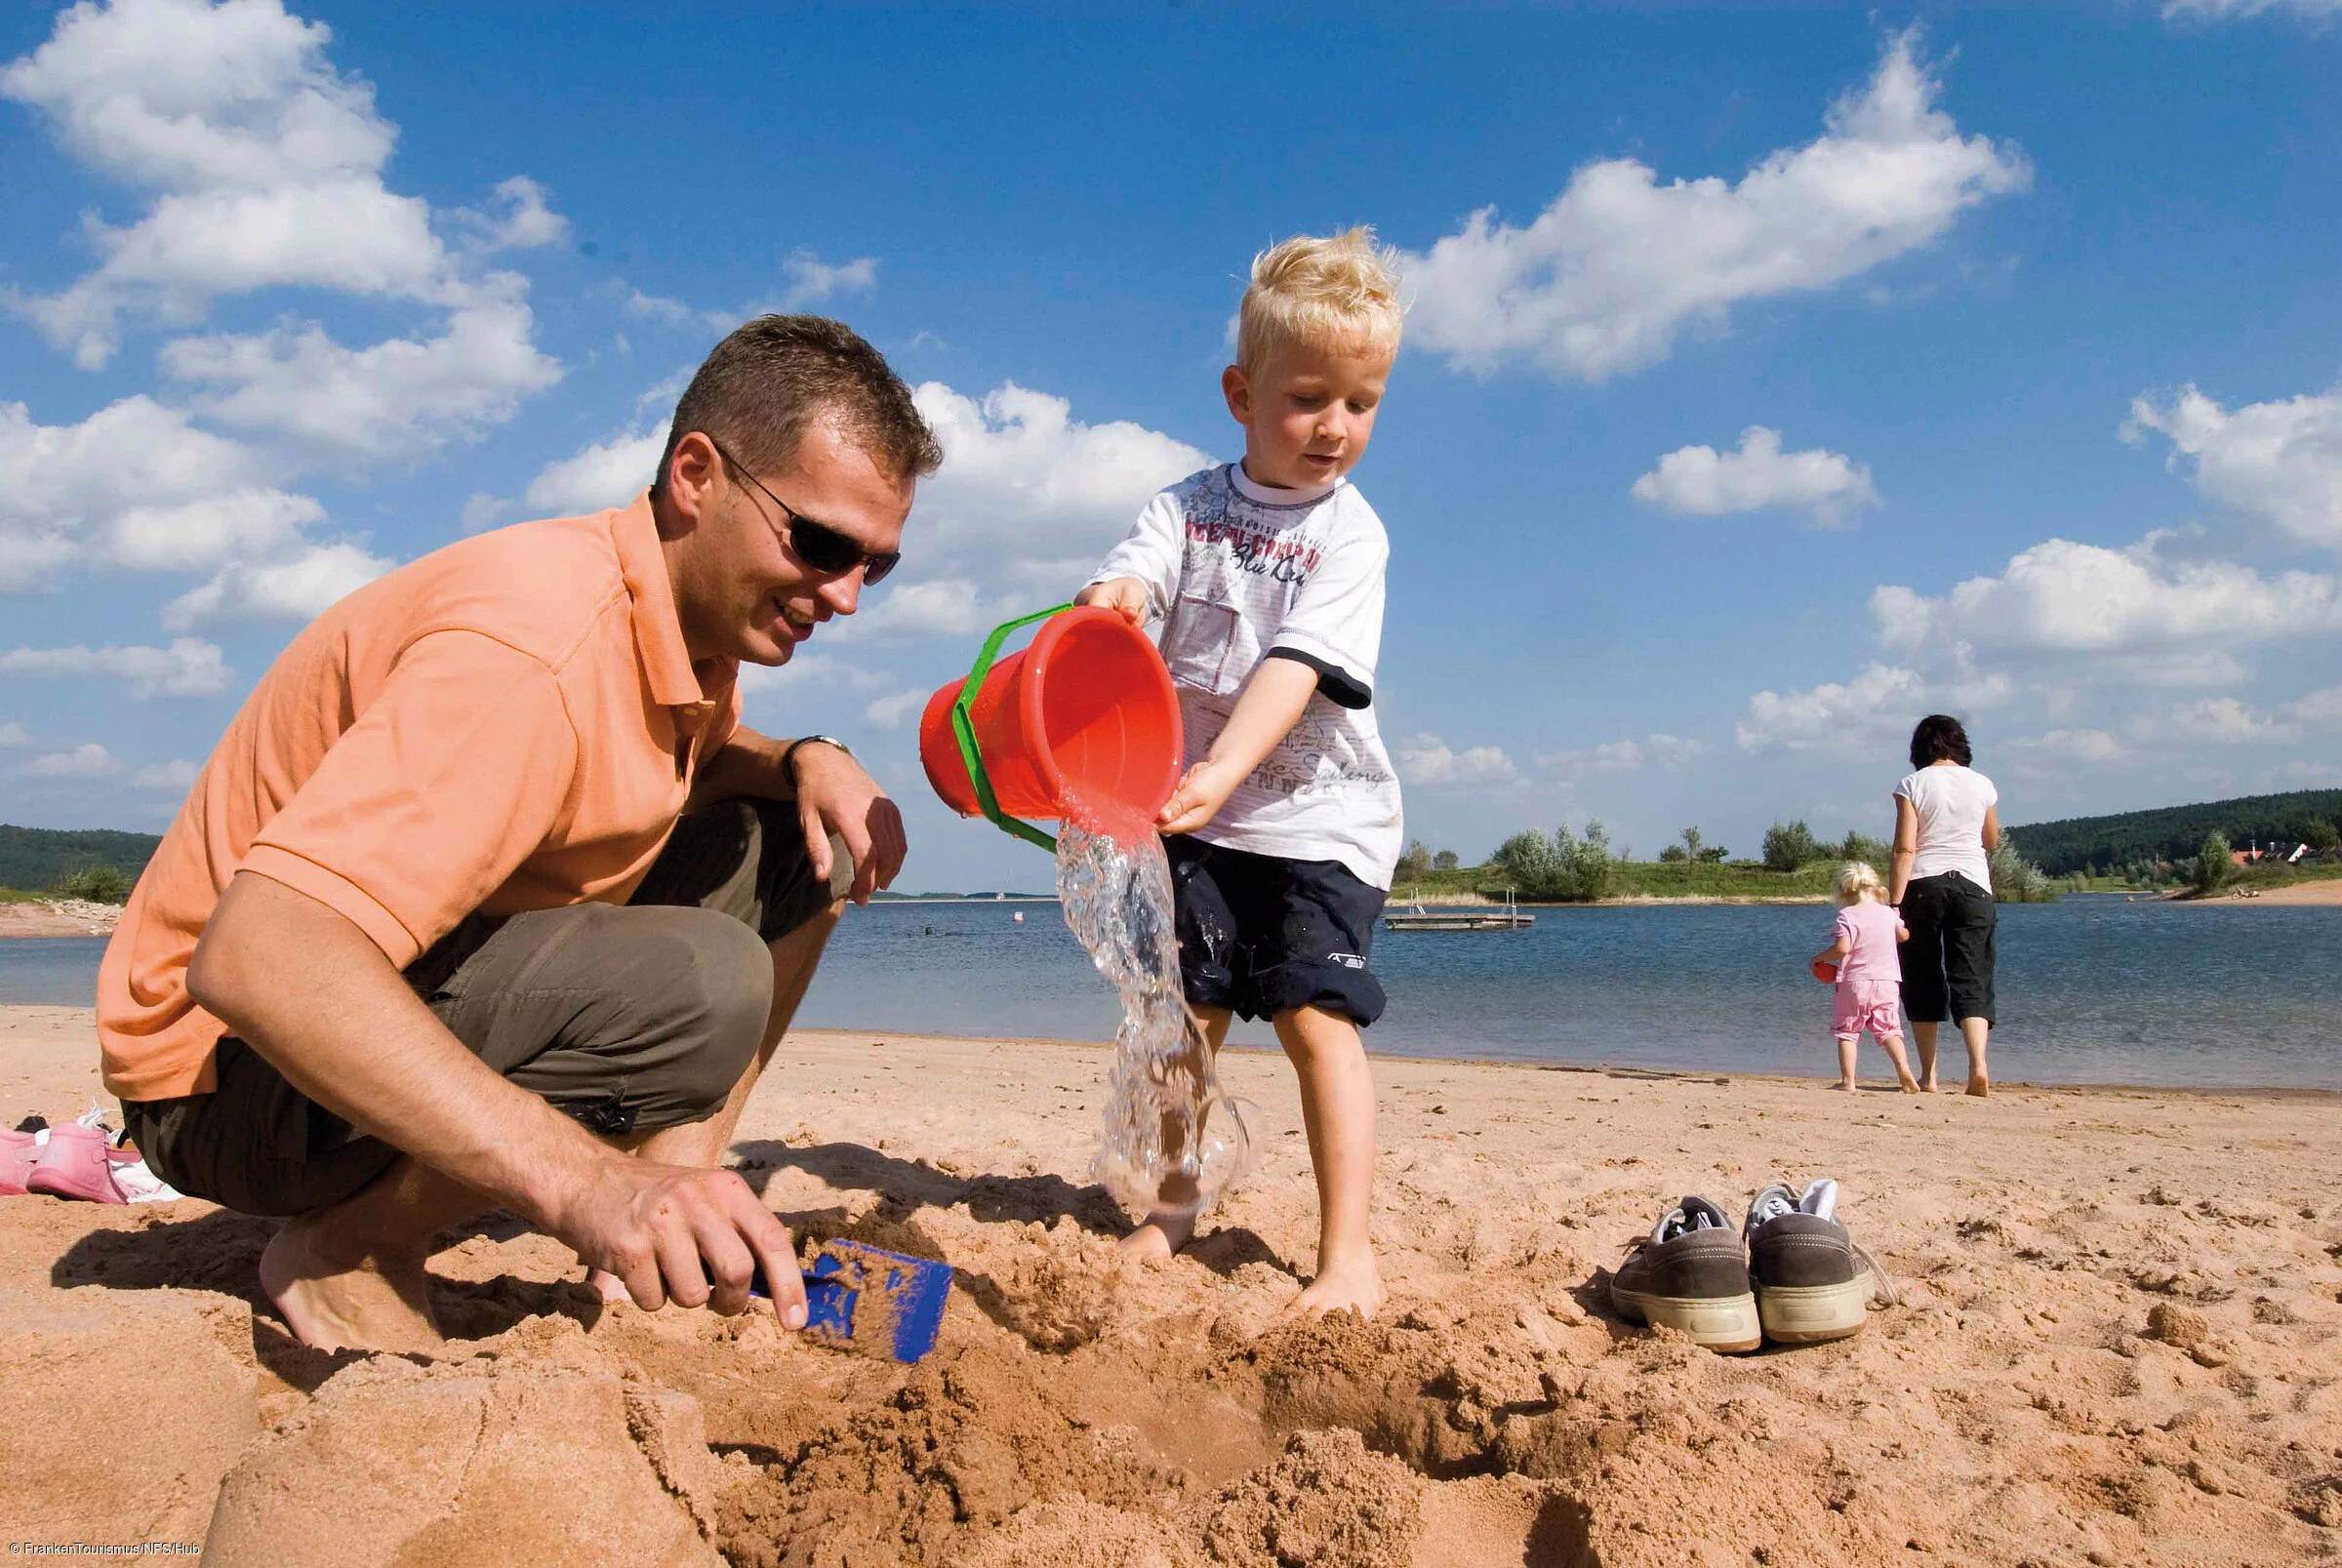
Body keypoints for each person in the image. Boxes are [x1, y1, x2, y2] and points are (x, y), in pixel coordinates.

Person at [95, 316, 941, 1352]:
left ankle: (680, 1207)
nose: (847, 596)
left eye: (876, 566)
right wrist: (590, 1182)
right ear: (695, 475)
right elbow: (258, 952)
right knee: (700, 985)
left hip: (339, 1011)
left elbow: (696, 759)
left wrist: (806, 757)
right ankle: (348, 1249)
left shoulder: (679, 617)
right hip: (220, 1080)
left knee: (804, 839)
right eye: (819, 543)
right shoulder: (530, 650)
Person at [1076, 228, 1404, 1319]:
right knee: (1189, 1015)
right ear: (1241, 391)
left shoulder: (1352, 537)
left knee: (1318, 1018)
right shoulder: (1186, 506)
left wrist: (1222, 765)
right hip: (1197, 808)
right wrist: (1118, 598)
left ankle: (1346, 1250)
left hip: (1317, 817)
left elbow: (1294, 667)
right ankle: (1172, 1202)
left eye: (1362, 402)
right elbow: (1135, 573)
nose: (1335, 427)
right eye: (1308, 397)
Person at [1888, 714, 2000, 1097]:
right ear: (1959, 744)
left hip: (1924, 883)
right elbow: (1991, 839)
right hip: (1973, 885)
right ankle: (1978, 1068)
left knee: (1921, 977)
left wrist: (1893, 903)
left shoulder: (1912, 784)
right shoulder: (1982, 784)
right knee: (1972, 975)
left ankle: (1929, 1076)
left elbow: (1905, 848)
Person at [1811, 863, 1919, 1094]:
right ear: (1876, 887)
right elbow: (1904, 936)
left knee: (1848, 1030)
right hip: (1888, 982)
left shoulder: (1846, 916)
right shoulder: (1889, 913)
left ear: (1845, 893)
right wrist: (1897, 919)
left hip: (1855, 982)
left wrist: (1820, 957)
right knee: (1889, 1029)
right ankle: (1904, 1072)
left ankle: (1848, 1081)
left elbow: (1842, 948)